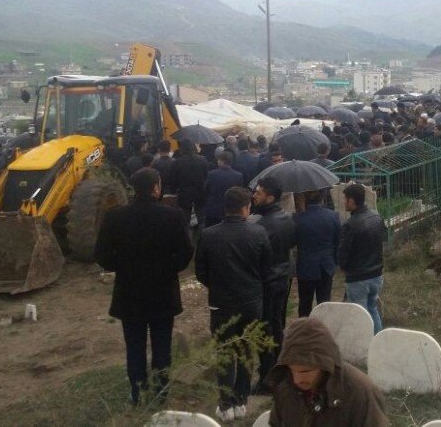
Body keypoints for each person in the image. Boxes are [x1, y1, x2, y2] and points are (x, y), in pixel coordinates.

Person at [94, 168, 193, 404]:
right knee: (162, 344)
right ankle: (161, 391)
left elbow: (101, 255)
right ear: (156, 188)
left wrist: (123, 266)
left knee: (135, 344)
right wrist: (170, 268)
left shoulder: (115, 217)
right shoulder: (173, 216)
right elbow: (186, 252)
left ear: (133, 189)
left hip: (130, 291)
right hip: (162, 290)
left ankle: (137, 391)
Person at [195, 187, 276, 421]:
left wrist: (218, 285)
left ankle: (226, 403)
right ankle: (241, 399)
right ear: (246, 208)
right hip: (251, 302)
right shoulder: (258, 233)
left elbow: (201, 272)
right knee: (246, 350)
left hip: (221, 304)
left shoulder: (209, 235)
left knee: (225, 351)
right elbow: (266, 269)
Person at [264, 317, 390, 426]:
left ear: (324, 364)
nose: (297, 379)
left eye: (305, 371)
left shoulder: (361, 392)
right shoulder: (285, 385)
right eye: (292, 370)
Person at [250, 176, 297, 393]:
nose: (254, 195)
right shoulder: (287, 218)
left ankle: (267, 377)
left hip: (266, 281)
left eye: (258, 193)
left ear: (270, 198)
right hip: (283, 277)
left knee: (264, 328)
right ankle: (280, 368)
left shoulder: (260, 226)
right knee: (277, 324)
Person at [339, 184, 387, 333]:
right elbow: (383, 239)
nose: (343, 203)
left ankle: (365, 350)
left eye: (345, 199)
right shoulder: (376, 217)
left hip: (358, 278)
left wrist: (344, 267)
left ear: (352, 201)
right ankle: (378, 343)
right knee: (372, 309)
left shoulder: (350, 225)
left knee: (361, 317)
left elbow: (343, 254)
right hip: (376, 275)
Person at [294, 189, 340, 317]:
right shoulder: (333, 216)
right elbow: (337, 241)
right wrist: (334, 260)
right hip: (326, 265)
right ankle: (323, 329)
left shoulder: (298, 219)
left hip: (306, 266)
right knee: (324, 302)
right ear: (322, 199)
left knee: (304, 303)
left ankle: (304, 331)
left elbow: (294, 242)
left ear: (305, 200)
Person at [165, 139, 210, 231]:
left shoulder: (176, 162)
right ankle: (203, 240)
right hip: (200, 193)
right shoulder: (203, 159)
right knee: (202, 219)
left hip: (184, 194)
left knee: (185, 222)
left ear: (182, 148)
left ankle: (187, 241)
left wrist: (173, 191)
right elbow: (206, 177)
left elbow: (173, 180)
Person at [203, 151, 245, 228]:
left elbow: (206, 190)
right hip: (230, 210)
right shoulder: (238, 176)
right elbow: (239, 193)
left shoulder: (211, 174)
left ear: (222, 161)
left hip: (213, 209)